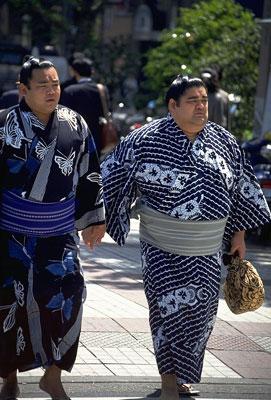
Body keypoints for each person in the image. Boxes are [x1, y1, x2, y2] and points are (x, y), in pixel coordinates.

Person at [101, 75, 271, 399]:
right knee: (166, 311)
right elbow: (112, 175)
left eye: (204, 99)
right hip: (161, 247)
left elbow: (241, 191)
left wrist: (239, 234)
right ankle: (168, 383)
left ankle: (181, 377)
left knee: (202, 314)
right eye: (193, 100)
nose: (201, 106)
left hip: (207, 248)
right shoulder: (145, 140)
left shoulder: (224, 141)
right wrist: (98, 219)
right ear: (172, 106)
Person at [0, 57, 105, 400]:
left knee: (70, 297)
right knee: (6, 306)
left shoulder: (76, 124)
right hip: (10, 234)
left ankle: (53, 375)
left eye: (55, 83)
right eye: (42, 85)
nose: (51, 90)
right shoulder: (4, 126)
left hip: (59, 235)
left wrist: (94, 218)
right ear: (23, 90)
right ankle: (9, 376)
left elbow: (90, 172)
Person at [60, 57, 107, 157]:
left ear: (74, 71)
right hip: (96, 135)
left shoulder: (70, 90)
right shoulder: (101, 89)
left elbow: (63, 117)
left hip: (75, 136)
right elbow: (106, 111)